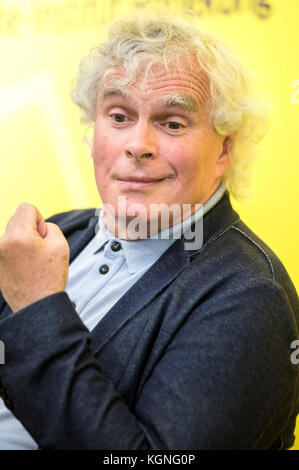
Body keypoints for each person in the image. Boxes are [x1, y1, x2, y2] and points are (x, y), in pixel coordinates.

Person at [0, 15, 298, 450]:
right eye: (119, 116)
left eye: (172, 122)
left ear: (225, 148)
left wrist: (40, 308)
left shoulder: (250, 296)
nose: (138, 144)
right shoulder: (62, 231)